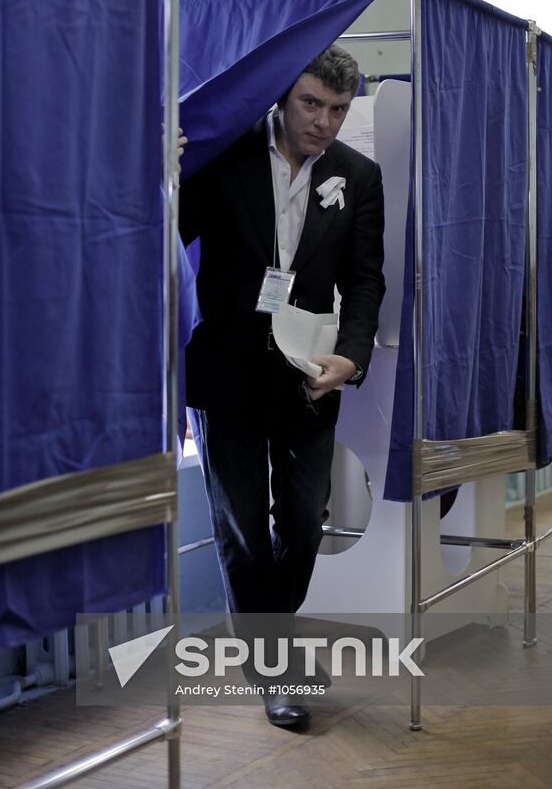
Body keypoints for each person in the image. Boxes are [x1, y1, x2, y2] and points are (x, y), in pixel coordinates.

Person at [179, 44, 385, 726]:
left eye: (337, 109)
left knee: (300, 521)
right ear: (280, 97)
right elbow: (167, 234)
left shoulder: (358, 175)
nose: (323, 121)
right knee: (241, 528)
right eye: (310, 104)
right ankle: (275, 665)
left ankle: (273, 639)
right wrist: (162, 172)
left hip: (308, 376)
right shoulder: (222, 156)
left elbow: (363, 278)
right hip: (225, 371)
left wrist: (350, 358)